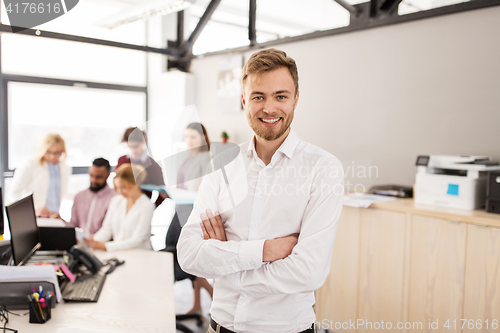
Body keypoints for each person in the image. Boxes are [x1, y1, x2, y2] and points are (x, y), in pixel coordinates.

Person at [177, 49, 344, 333]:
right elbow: (189, 254)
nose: (269, 108)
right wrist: (265, 250)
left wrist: (226, 263)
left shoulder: (323, 168)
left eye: (280, 96)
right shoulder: (222, 165)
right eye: (258, 97)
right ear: (244, 100)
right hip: (219, 326)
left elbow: (308, 272)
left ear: (295, 99)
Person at [174, 122, 213, 314]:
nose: (188, 141)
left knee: (189, 255)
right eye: (186, 137)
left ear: (203, 138)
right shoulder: (190, 157)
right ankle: (197, 304)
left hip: (192, 211)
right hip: (181, 208)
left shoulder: (206, 158)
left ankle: (214, 296)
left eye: (193, 137)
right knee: (186, 254)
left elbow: (201, 191)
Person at [83, 163, 155, 251]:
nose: (119, 191)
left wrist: (106, 246)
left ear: (136, 184)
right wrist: (93, 241)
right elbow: (106, 230)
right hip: (119, 252)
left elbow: (137, 240)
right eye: (117, 188)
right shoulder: (116, 201)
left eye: (123, 187)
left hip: (140, 253)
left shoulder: (147, 205)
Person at [6, 133, 71, 218]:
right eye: (48, 152)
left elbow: (63, 194)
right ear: (42, 150)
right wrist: (34, 210)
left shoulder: (64, 168)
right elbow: (13, 194)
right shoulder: (30, 165)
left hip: (54, 217)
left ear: (63, 151)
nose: (52, 156)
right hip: (34, 216)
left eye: (57, 153)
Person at [116, 127, 166, 207]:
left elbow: (163, 193)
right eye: (129, 147)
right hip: (121, 206)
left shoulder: (153, 166)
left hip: (141, 207)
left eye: (135, 146)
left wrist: (150, 208)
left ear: (144, 141)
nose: (133, 151)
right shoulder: (122, 161)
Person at [67, 158, 116, 237]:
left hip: (102, 245)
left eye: (98, 177)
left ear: (108, 175)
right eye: (91, 175)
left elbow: (112, 230)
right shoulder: (79, 196)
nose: (93, 180)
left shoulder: (115, 198)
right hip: (81, 243)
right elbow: (73, 224)